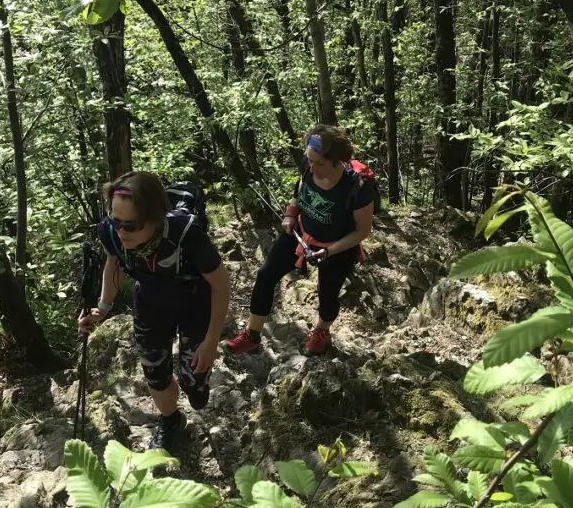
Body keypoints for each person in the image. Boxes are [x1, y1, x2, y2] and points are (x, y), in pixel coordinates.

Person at [78, 171, 230, 451]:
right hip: (150, 301)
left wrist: (210, 342)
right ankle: (171, 420)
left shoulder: (186, 233)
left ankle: (193, 386)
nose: (121, 231)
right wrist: (102, 308)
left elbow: (221, 285)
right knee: (154, 373)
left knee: (194, 385)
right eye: (116, 221)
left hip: (196, 302)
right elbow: (114, 265)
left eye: (131, 225)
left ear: (155, 217)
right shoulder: (112, 232)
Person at [224, 125, 375, 357]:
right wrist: (290, 213)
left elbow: (362, 231)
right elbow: (299, 190)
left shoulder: (358, 188)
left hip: (337, 247)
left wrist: (329, 252)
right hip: (301, 232)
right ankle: (252, 336)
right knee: (265, 275)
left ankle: (322, 332)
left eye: (319, 163)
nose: (312, 167)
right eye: (309, 160)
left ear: (338, 161)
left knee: (327, 294)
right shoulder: (308, 165)